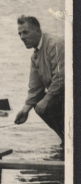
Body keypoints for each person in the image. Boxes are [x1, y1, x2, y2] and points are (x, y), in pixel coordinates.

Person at [14, 16, 65, 144]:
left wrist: (46, 100)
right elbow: (35, 87)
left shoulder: (55, 44)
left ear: (38, 31)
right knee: (39, 106)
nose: (22, 37)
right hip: (63, 94)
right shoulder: (35, 56)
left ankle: (70, 140)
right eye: (19, 33)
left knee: (48, 105)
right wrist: (25, 110)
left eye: (25, 32)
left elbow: (61, 77)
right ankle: (66, 139)